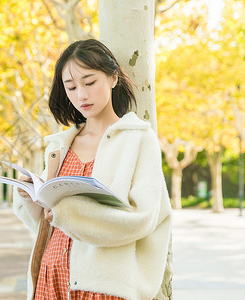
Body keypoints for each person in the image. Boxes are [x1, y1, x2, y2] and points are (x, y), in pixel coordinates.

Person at [13, 39, 172, 300]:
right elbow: (47, 223)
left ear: (112, 78)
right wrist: (29, 196)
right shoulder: (59, 145)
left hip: (102, 287)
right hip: (50, 277)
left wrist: (69, 213)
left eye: (89, 82)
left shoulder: (137, 139)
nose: (81, 95)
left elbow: (143, 219)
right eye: (71, 87)